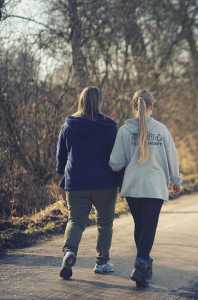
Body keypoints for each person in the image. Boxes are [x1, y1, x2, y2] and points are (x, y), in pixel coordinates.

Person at [109, 89, 182, 288]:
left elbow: (115, 163)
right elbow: (172, 158)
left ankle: (143, 264)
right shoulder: (161, 130)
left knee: (141, 226)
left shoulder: (124, 131)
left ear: (134, 106)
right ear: (152, 106)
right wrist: (176, 180)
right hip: (155, 187)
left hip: (133, 187)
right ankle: (141, 264)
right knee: (148, 226)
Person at [56, 86, 119, 279]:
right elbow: (117, 156)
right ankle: (102, 262)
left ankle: (69, 252)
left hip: (76, 182)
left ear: (81, 101)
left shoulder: (69, 125)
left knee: (75, 221)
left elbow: (61, 156)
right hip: (105, 183)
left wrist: (61, 174)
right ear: (99, 102)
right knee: (105, 224)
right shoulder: (110, 126)